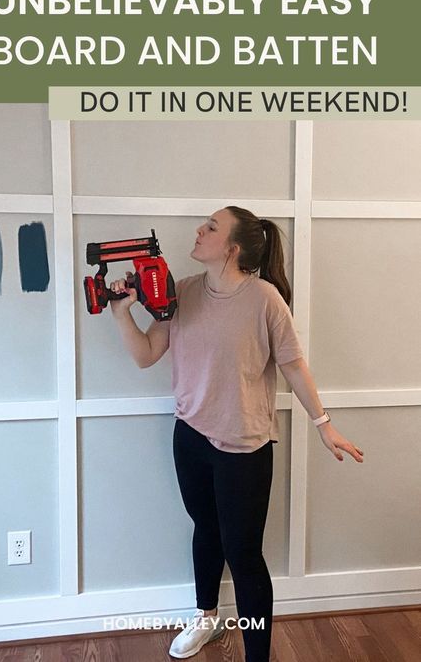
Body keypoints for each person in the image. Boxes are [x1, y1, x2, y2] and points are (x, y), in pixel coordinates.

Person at [109, 205, 364, 662]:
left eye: (210, 227)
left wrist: (324, 424)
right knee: (205, 530)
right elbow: (147, 354)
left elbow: (293, 364)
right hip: (189, 437)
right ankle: (206, 618)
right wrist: (120, 312)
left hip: (243, 448)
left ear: (232, 248)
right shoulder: (181, 292)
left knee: (244, 555)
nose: (199, 231)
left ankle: (257, 657)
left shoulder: (265, 298)